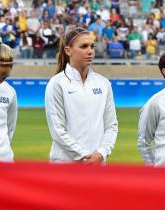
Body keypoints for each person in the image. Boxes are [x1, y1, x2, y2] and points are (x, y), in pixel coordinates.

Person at [45, 26, 118, 163]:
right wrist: (85, 156)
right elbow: (58, 130)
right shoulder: (57, 84)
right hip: (66, 167)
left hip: (97, 166)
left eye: (92, 46)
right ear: (68, 51)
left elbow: (111, 125)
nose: (90, 51)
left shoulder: (103, 83)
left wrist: (101, 153)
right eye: (84, 46)